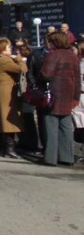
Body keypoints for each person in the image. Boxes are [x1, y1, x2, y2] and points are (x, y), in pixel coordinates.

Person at [40, 32, 81, 166]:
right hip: (69, 93)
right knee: (66, 127)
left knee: (51, 126)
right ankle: (67, 157)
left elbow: (46, 74)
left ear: (54, 42)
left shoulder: (52, 55)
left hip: (53, 94)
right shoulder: (73, 57)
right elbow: (77, 79)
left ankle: (51, 158)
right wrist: (76, 97)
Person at [0, 37, 26, 159]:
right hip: (7, 90)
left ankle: (5, 148)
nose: (10, 49)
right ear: (2, 49)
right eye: (8, 47)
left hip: (3, 90)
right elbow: (22, 69)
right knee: (8, 120)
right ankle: (9, 149)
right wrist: (20, 59)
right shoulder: (4, 60)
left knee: (4, 119)